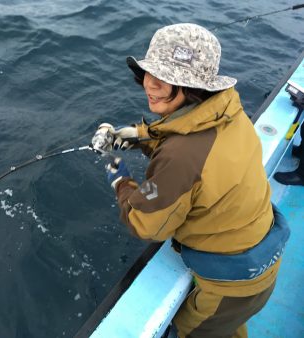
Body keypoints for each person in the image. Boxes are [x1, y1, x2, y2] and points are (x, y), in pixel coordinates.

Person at [92, 23, 289, 338]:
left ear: (194, 87)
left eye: (167, 79)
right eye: (148, 73)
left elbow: (147, 223)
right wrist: (130, 136)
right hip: (259, 262)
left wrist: (121, 181)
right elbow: (187, 140)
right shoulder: (228, 112)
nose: (150, 86)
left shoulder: (180, 158)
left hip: (230, 284)